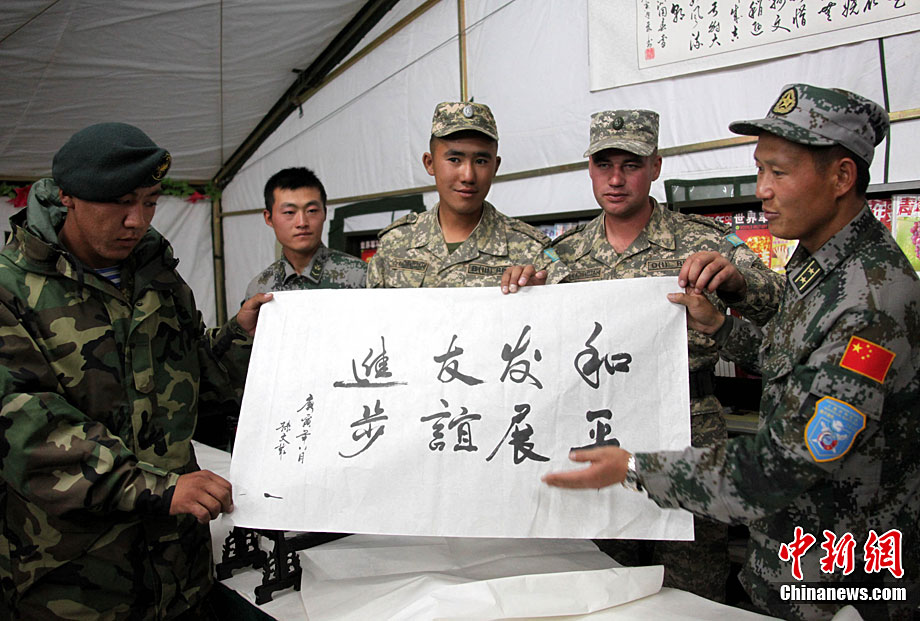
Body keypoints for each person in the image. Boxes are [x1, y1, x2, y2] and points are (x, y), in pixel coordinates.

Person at [544, 85, 919, 620]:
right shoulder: (822, 266)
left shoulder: (870, 301)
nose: (762, 190)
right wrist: (720, 326)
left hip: (842, 572)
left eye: (778, 172)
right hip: (799, 550)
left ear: (841, 177)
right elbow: (787, 360)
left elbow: (782, 467)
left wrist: (632, 466)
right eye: (759, 169)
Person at [0, 123, 270, 619]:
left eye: (150, 202)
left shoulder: (156, 276)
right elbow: (28, 433)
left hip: (180, 575)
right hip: (76, 586)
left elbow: (194, 378)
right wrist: (161, 489)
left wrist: (239, 336)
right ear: (68, 196)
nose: (137, 221)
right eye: (121, 203)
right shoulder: (11, 290)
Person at [526, 109, 782, 602]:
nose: (616, 179)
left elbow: (778, 303)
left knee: (693, 585)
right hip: (597, 430)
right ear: (589, 169)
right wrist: (520, 292)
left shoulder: (703, 239)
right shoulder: (561, 255)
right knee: (604, 581)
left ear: (656, 166)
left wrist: (736, 282)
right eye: (604, 165)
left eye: (631, 165)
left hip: (686, 430)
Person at [367, 101, 566, 287]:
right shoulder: (395, 243)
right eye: (454, 159)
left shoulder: (531, 250)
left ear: (495, 167)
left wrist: (534, 295)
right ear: (430, 163)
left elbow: (564, 308)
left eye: (481, 161)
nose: (468, 176)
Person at [244, 166, 367, 299]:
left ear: (324, 213)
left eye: (311, 211)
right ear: (269, 218)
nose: (302, 223)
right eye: (289, 212)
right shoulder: (260, 288)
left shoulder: (360, 276)